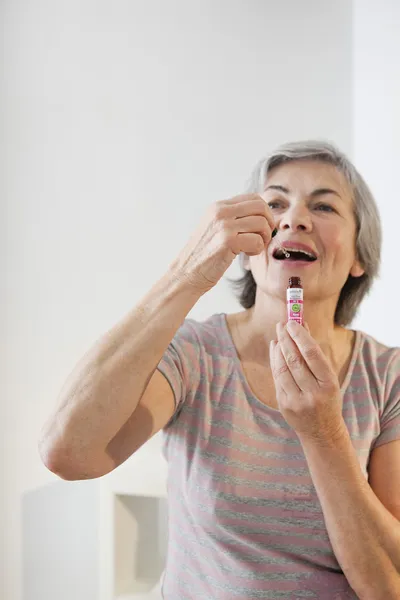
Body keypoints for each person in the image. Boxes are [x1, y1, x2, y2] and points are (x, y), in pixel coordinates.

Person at [39, 141, 400, 600]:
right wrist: (186, 273)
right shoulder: (196, 355)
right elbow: (68, 452)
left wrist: (324, 433)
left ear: (358, 258)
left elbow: (389, 586)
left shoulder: (387, 376)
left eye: (324, 205)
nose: (294, 218)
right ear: (249, 247)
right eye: (275, 204)